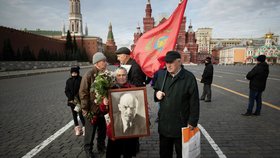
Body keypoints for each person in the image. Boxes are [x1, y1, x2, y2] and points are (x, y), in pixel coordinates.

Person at [153, 51, 200, 158]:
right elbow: (156, 90)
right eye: (166, 63)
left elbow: (194, 101)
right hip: (165, 124)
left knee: (182, 154)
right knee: (164, 153)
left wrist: (193, 121)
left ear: (179, 62)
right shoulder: (162, 75)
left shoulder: (188, 77)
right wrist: (157, 94)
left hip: (181, 124)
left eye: (171, 63)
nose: (168, 65)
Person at [106, 67, 143, 158]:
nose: (121, 77)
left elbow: (141, 106)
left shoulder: (133, 88)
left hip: (130, 132)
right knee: (113, 154)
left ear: (127, 76)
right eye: (119, 75)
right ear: (115, 77)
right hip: (115, 128)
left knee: (128, 154)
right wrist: (104, 103)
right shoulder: (109, 89)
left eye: (123, 75)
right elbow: (103, 110)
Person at [79, 52, 107, 158]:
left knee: (102, 130)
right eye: (103, 61)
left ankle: (101, 147)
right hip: (91, 109)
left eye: (105, 61)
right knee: (90, 131)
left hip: (101, 109)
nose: (105, 63)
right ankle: (88, 150)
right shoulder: (89, 74)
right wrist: (85, 109)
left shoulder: (103, 73)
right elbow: (83, 92)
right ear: (97, 62)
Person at [65, 66, 85, 136]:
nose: (73, 74)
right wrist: (70, 97)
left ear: (77, 73)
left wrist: (77, 97)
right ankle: (77, 128)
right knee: (74, 115)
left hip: (78, 101)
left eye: (75, 73)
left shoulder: (81, 79)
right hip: (71, 101)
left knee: (80, 114)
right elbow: (66, 90)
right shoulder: (68, 80)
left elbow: (82, 89)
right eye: (72, 73)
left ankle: (84, 127)